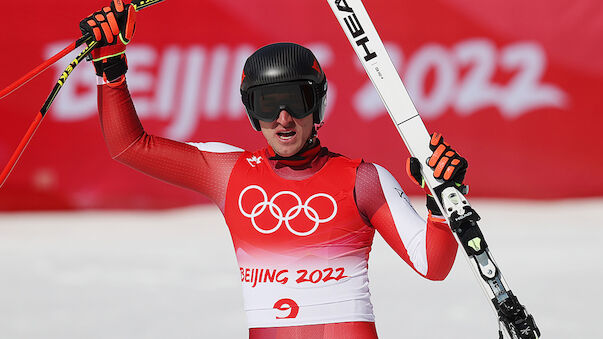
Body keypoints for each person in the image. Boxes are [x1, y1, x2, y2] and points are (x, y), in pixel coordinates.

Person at [80, 1, 468, 338]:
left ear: (317, 106)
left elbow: (433, 265)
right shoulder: (228, 172)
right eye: (268, 104)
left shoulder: (362, 180)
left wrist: (442, 204)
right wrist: (111, 68)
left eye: (296, 101)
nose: (283, 119)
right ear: (252, 112)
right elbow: (128, 146)